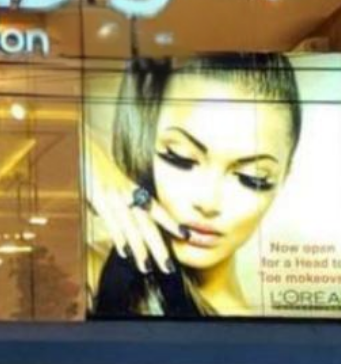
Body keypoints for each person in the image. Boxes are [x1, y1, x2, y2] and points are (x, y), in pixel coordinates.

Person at [86, 53, 301, 317]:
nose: (208, 202)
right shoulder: (91, 274)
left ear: (283, 178)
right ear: (143, 143)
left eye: (252, 178)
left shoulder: (283, 329)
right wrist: (85, 158)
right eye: (180, 158)